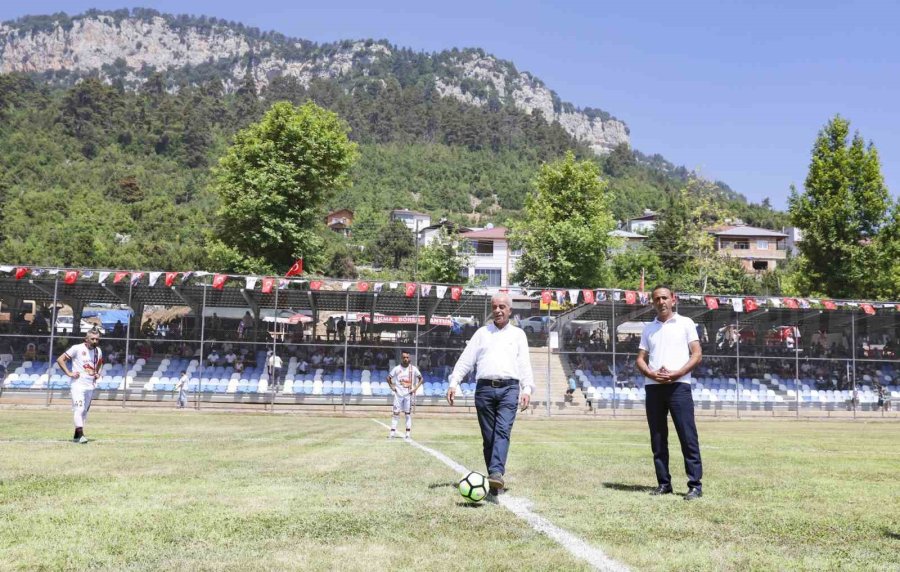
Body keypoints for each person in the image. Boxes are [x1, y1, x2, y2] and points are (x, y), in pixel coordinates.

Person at [447, 293, 533, 495]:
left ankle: (496, 474)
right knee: (489, 438)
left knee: (502, 431)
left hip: (510, 389)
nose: (498, 310)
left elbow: (524, 364)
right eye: (495, 307)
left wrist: (527, 388)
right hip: (484, 389)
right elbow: (466, 360)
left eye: (502, 306)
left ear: (510, 310)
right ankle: (494, 480)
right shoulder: (481, 333)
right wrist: (454, 382)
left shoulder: (518, 335)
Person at [635, 285, 704, 501]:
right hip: (654, 387)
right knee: (658, 438)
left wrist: (676, 374)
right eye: (657, 299)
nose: (661, 302)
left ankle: (694, 485)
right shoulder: (648, 329)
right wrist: (651, 373)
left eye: (664, 297)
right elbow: (640, 358)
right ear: (652, 302)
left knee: (687, 436)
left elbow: (696, 354)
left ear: (673, 300)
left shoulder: (685, 323)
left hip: (679, 387)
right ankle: (664, 484)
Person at [56, 329, 104, 444]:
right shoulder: (76, 348)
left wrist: (97, 373)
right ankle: (81, 435)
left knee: (84, 412)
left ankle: (77, 436)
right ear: (86, 339)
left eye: (97, 339)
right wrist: (69, 373)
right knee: (79, 408)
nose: (95, 341)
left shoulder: (98, 351)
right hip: (78, 384)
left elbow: (100, 363)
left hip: (90, 385)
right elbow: (60, 359)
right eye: (92, 339)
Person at [386, 350, 424, 441]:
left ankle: (407, 434)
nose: (406, 359)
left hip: (408, 395)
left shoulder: (413, 369)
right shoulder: (397, 368)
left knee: (407, 414)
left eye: (407, 357)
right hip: (398, 395)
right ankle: (392, 434)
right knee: (396, 414)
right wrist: (392, 387)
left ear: (409, 358)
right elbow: (388, 378)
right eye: (404, 357)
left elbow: (421, 378)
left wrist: (415, 388)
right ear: (401, 358)